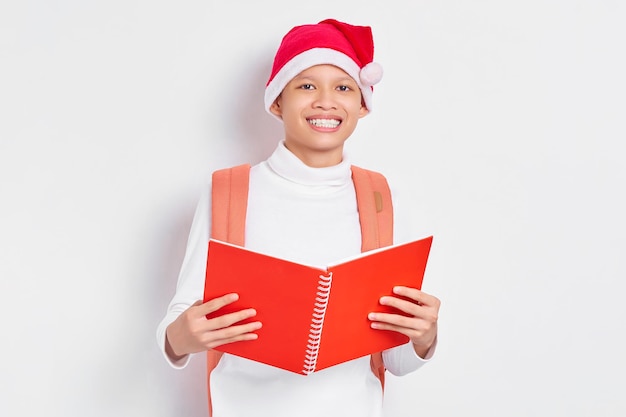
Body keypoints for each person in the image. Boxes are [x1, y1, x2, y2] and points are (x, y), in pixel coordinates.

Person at [156, 18, 440, 417]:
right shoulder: (228, 192)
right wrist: (180, 337)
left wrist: (425, 338)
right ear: (276, 101)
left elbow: (396, 361)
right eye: (306, 85)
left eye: (343, 87)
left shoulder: (382, 198)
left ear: (362, 104)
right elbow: (177, 326)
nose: (326, 101)